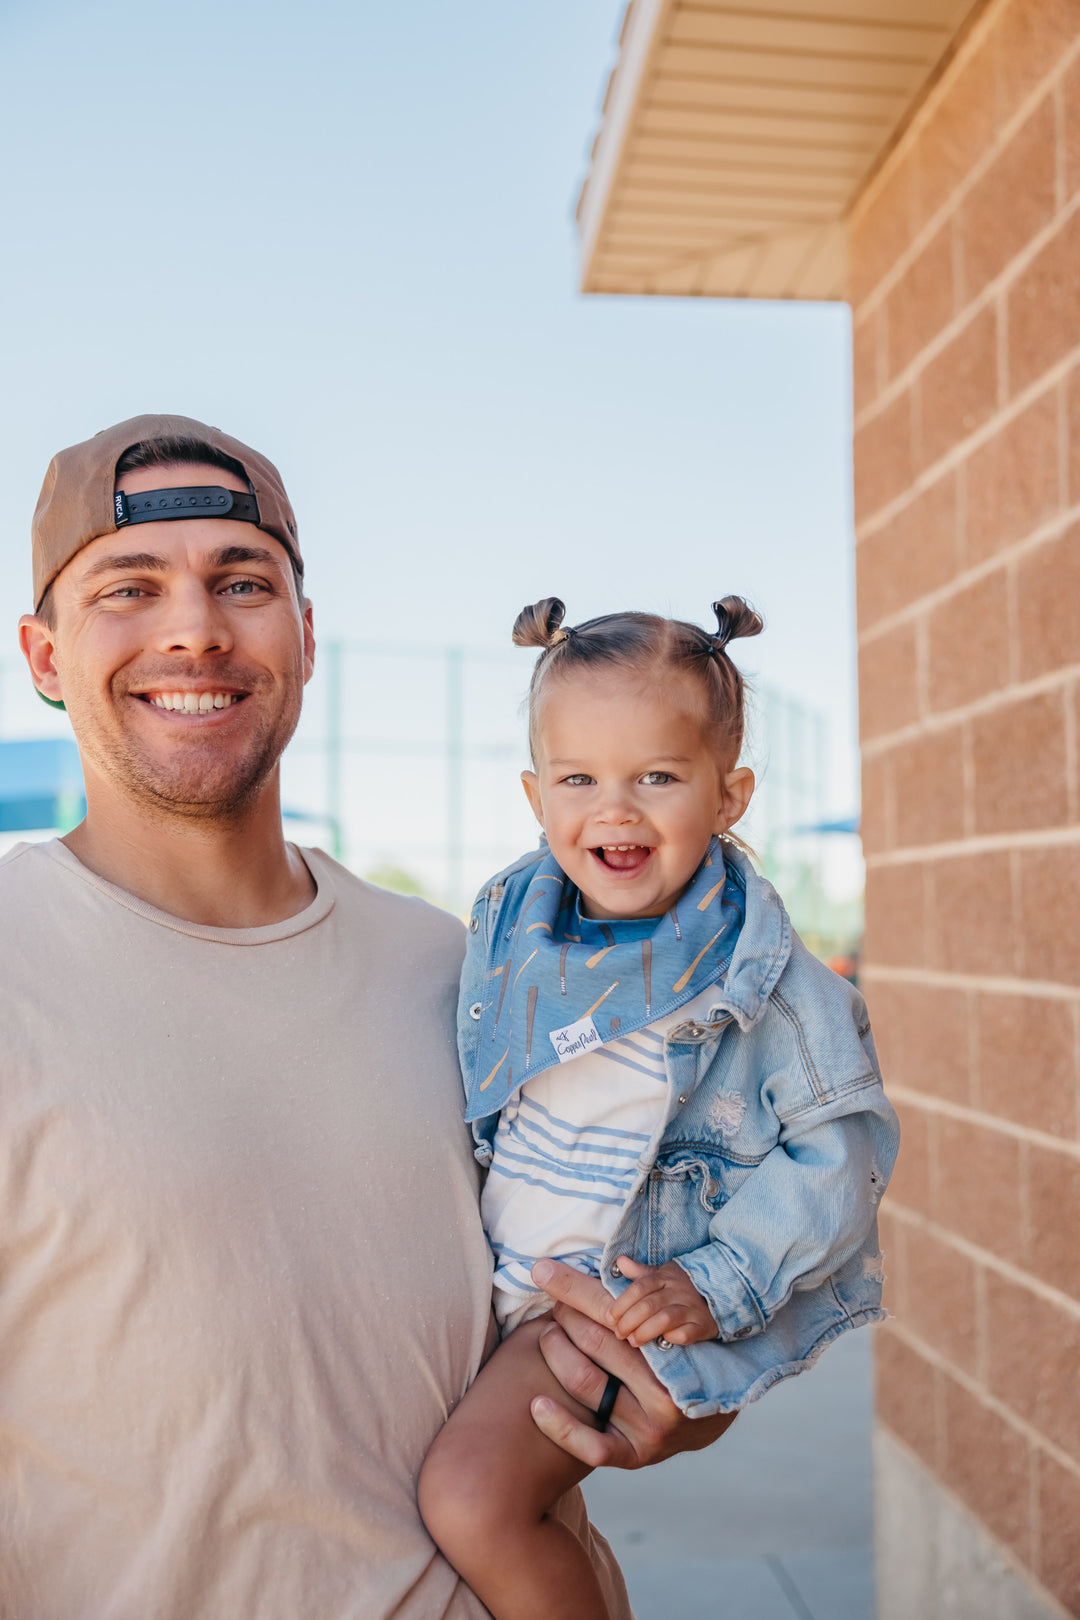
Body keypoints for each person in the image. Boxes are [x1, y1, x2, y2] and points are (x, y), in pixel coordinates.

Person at [5, 415, 730, 1620]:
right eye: (128, 588)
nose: (194, 628)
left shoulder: (466, 974)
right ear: (43, 656)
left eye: (243, 581)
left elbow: (644, 1277)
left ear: (303, 635)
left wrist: (675, 1396)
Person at [418, 596, 900, 1620]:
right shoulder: (515, 926)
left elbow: (843, 1152)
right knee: (538, 1522)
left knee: (471, 1501)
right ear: (534, 793)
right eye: (579, 779)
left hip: (614, 1301)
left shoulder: (765, 982)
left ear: (730, 796)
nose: (616, 811)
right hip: (509, 1285)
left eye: (658, 778)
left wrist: (717, 1284)